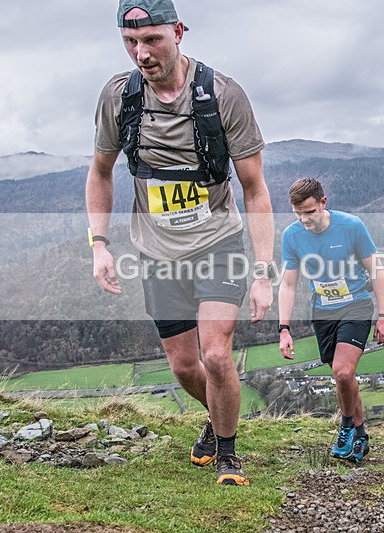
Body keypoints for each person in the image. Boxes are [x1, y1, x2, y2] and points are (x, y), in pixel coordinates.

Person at [86, 0, 274, 486]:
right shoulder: (118, 96)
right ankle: (217, 419)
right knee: (186, 366)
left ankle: (229, 457)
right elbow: (101, 172)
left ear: (179, 32)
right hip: (156, 252)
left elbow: (254, 188)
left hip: (218, 243)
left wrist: (263, 270)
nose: (141, 53)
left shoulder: (223, 95)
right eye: (130, 42)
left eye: (152, 40)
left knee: (215, 355)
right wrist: (99, 244)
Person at [278, 178, 384, 464]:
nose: (304, 219)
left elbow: (376, 271)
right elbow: (289, 284)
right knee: (345, 378)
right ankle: (360, 432)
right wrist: (284, 328)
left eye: (310, 212)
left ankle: (345, 426)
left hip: (356, 305)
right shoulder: (291, 236)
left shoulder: (351, 226)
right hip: (323, 312)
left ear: (323, 202)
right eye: (298, 213)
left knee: (342, 371)